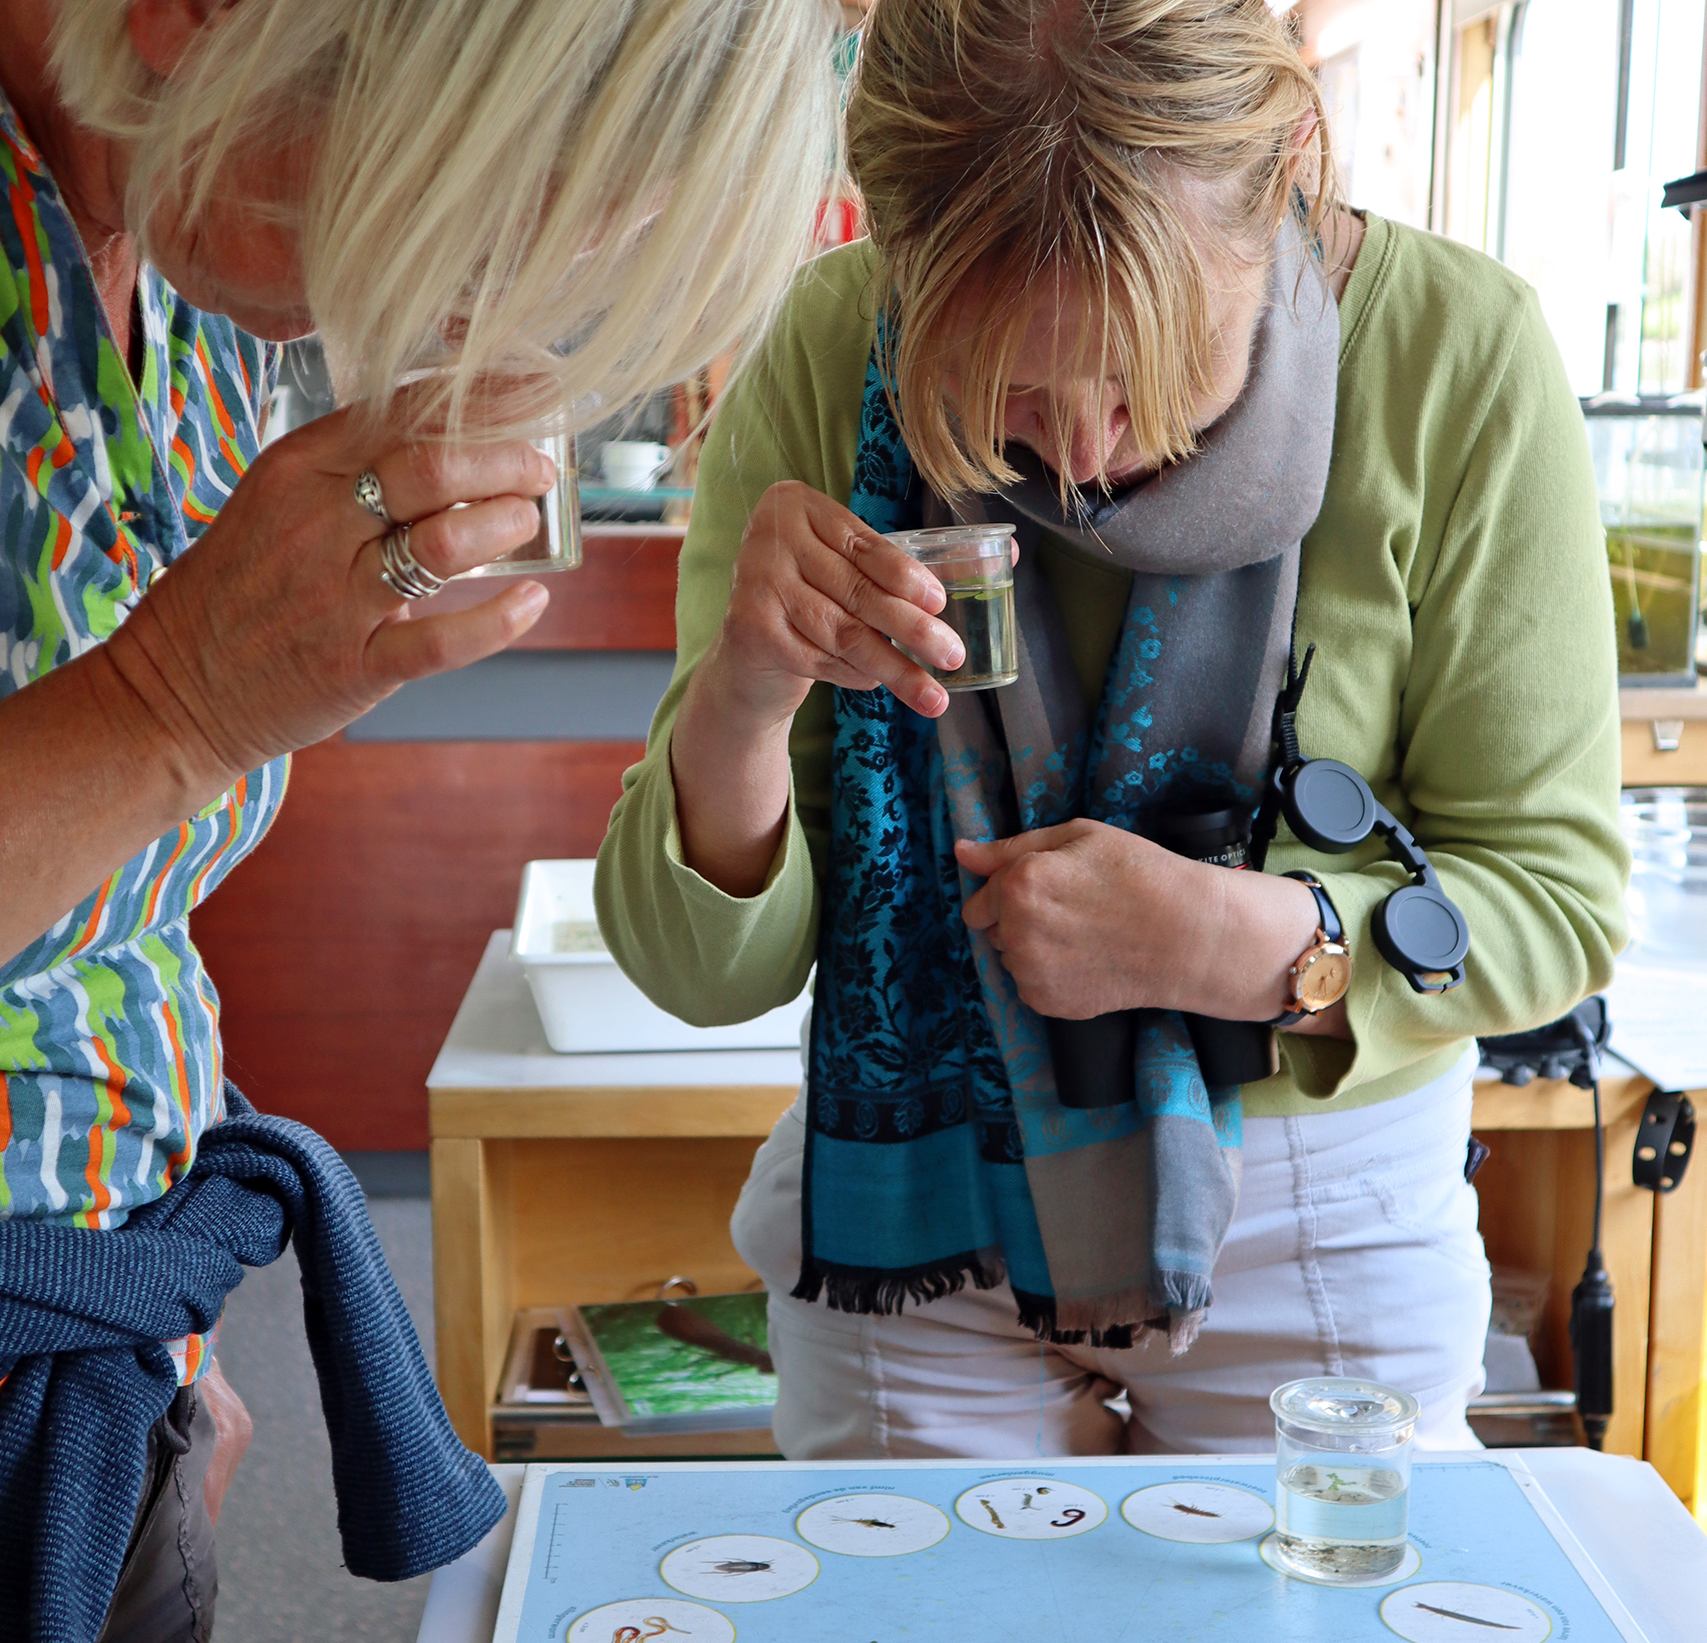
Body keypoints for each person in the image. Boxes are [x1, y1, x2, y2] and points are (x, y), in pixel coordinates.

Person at [0, 0, 840, 1643]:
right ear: (198, 23)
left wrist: (163, 1320)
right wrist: (175, 701)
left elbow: (94, 916)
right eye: (456, 223)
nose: (464, 323)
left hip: (98, 1386)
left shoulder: (172, 248)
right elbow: (136, 746)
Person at [596, 0, 1628, 1463]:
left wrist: (1232, 945)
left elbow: (1558, 900)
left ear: (1287, 192)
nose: (1078, 459)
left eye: (1148, 378)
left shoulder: (1454, 353)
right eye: (1007, 386)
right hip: (923, 1216)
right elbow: (698, 974)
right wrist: (745, 698)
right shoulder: (832, 348)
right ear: (894, 257)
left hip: (1315, 1205)